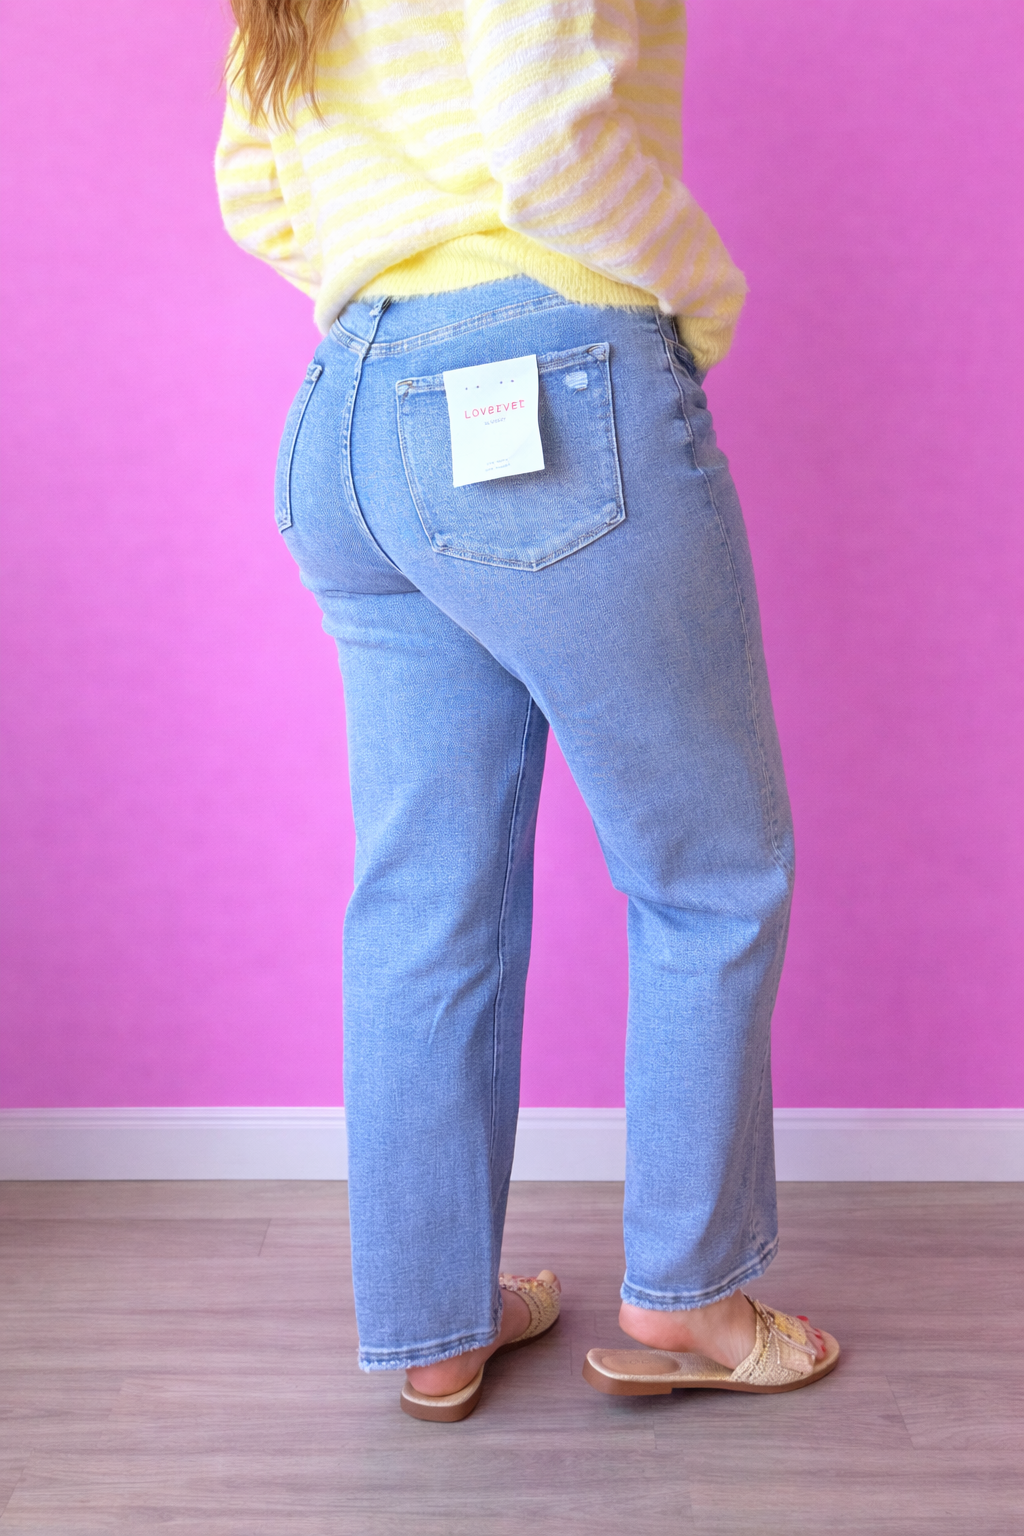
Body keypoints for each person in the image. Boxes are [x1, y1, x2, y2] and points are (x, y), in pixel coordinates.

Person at [216, 0, 839, 1422]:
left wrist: (404, 290)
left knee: (424, 899)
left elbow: (255, 187)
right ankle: (689, 1293)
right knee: (710, 873)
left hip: (344, 414)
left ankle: (435, 1326)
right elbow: (552, 140)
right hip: (543, 374)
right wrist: (696, 302)